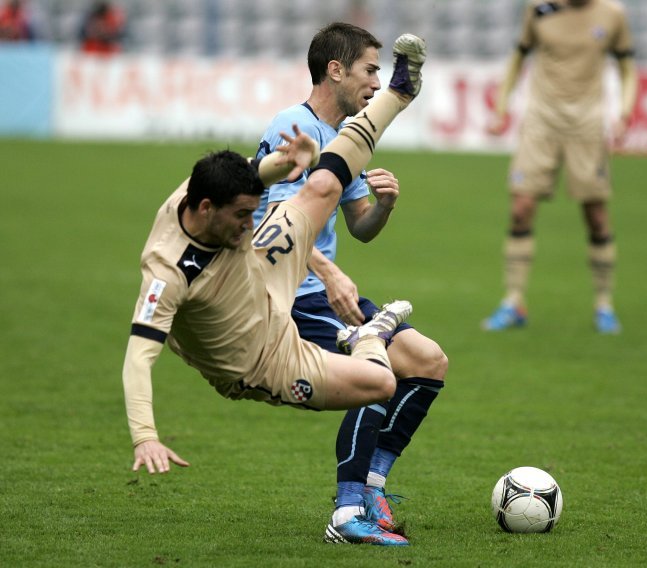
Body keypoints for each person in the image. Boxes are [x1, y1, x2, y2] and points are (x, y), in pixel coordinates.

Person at [121, 34, 427, 548]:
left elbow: (257, 179)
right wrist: (146, 436)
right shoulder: (167, 272)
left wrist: (293, 162)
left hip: (264, 272)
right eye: (240, 217)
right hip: (263, 356)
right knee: (381, 381)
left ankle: (401, 95)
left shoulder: (219, 203)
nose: (249, 223)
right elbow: (137, 359)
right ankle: (369, 338)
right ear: (201, 211)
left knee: (324, 186)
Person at [253, 23, 446, 546]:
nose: (375, 82)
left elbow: (360, 227)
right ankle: (347, 511)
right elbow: (277, 222)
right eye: (369, 70)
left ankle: (374, 486)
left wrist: (383, 206)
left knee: (428, 361)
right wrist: (326, 270)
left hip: (324, 290)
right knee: (374, 369)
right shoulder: (294, 126)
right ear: (334, 70)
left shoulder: (346, 143)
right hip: (288, 294)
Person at [482, 0, 638, 334]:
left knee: (596, 215)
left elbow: (627, 68)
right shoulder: (540, 9)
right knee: (521, 208)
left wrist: (624, 113)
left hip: (587, 125)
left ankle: (604, 306)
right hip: (541, 121)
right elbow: (517, 58)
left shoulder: (612, 15)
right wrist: (501, 108)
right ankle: (513, 302)